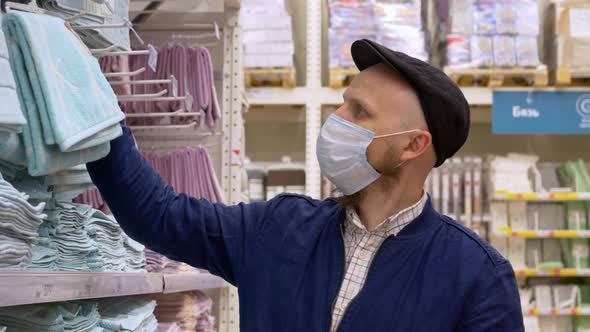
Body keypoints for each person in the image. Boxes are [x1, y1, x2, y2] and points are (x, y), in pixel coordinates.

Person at [87, 39, 524, 331]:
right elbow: (157, 214)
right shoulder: (279, 227)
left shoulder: (476, 276)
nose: (336, 120)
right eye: (342, 103)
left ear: (413, 145)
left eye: (359, 112)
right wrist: (89, 95)